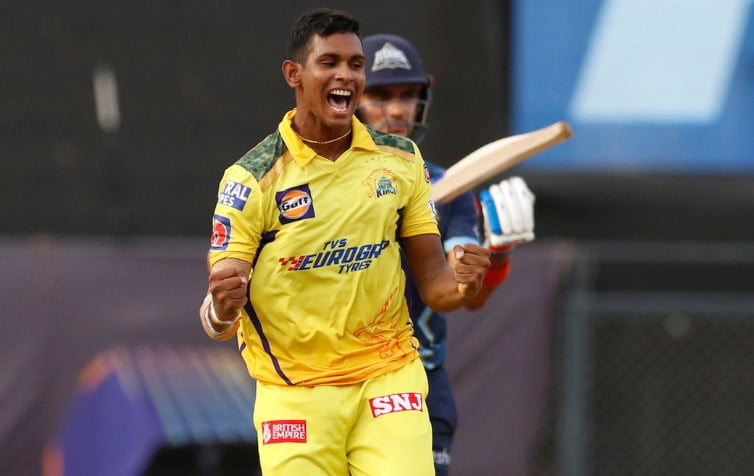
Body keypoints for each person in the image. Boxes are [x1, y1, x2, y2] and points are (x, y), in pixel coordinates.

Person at [198, 9, 491, 476]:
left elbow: (437, 286)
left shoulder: (401, 160)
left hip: (388, 377)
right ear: (293, 74)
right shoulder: (251, 179)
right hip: (295, 391)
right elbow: (219, 309)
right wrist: (221, 307)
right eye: (329, 62)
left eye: (355, 65)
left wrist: (466, 283)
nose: (346, 75)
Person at [356, 34, 535, 475]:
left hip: (418, 380)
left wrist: (495, 256)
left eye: (408, 95)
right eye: (381, 96)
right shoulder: (316, 182)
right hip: (333, 378)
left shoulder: (448, 188)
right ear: (350, 98)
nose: (397, 110)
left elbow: (464, 295)